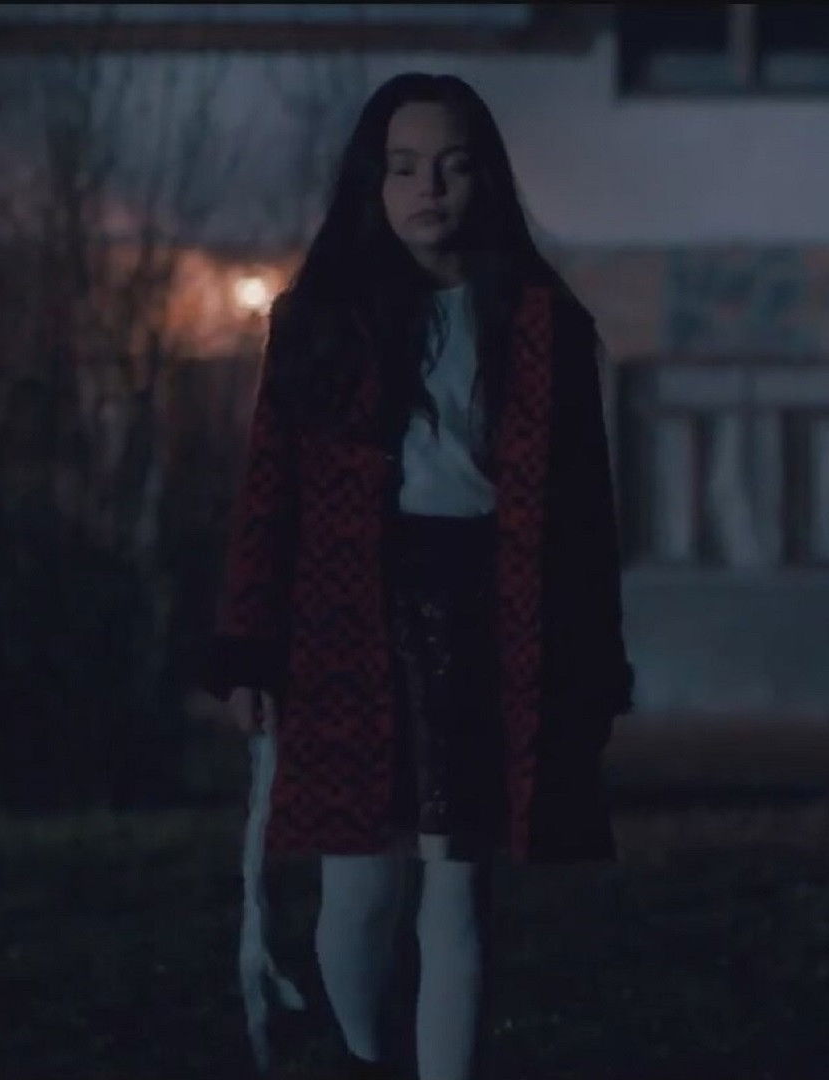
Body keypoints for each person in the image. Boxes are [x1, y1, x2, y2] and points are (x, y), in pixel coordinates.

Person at [198, 72, 634, 1080]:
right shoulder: (321, 321)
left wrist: (593, 664)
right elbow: (270, 492)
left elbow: (585, 515)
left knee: (459, 886)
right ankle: (364, 1059)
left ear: (487, 178)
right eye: (402, 168)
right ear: (373, 182)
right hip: (349, 618)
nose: (428, 189)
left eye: (451, 165)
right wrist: (251, 647)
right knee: (358, 891)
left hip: (488, 617)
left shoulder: (540, 326)